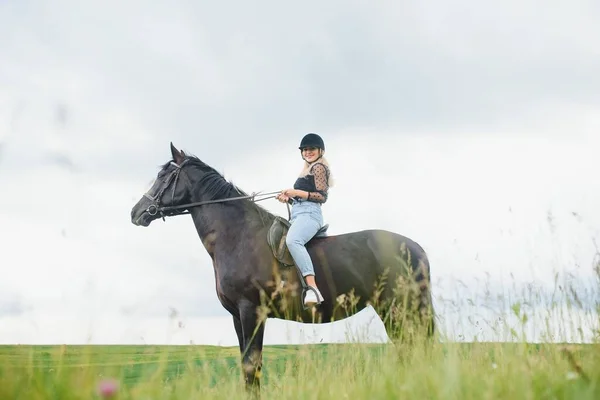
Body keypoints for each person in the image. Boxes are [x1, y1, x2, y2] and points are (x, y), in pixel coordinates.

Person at [276, 133, 334, 306]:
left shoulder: (319, 168)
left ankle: (313, 288)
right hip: (298, 213)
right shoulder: (306, 170)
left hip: (310, 214)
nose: (308, 152)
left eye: (312, 149)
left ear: (320, 151)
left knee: (293, 240)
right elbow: (302, 197)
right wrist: (289, 198)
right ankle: (287, 280)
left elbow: (321, 196)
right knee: (278, 239)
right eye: (305, 150)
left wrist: (296, 193)